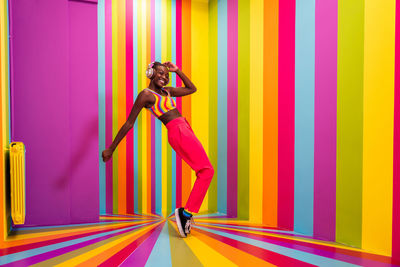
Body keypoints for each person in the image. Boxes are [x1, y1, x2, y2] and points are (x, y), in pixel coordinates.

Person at [102, 61, 214, 238]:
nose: (164, 76)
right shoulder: (146, 95)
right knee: (206, 171)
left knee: (205, 171)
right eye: (160, 73)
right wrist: (111, 148)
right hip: (177, 130)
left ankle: (186, 213)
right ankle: (185, 214)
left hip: (184, 128)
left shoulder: (167, 91)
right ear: (150, 73)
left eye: (166, 74)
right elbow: (129, 123)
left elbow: (192, 89)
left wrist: (178, 71)